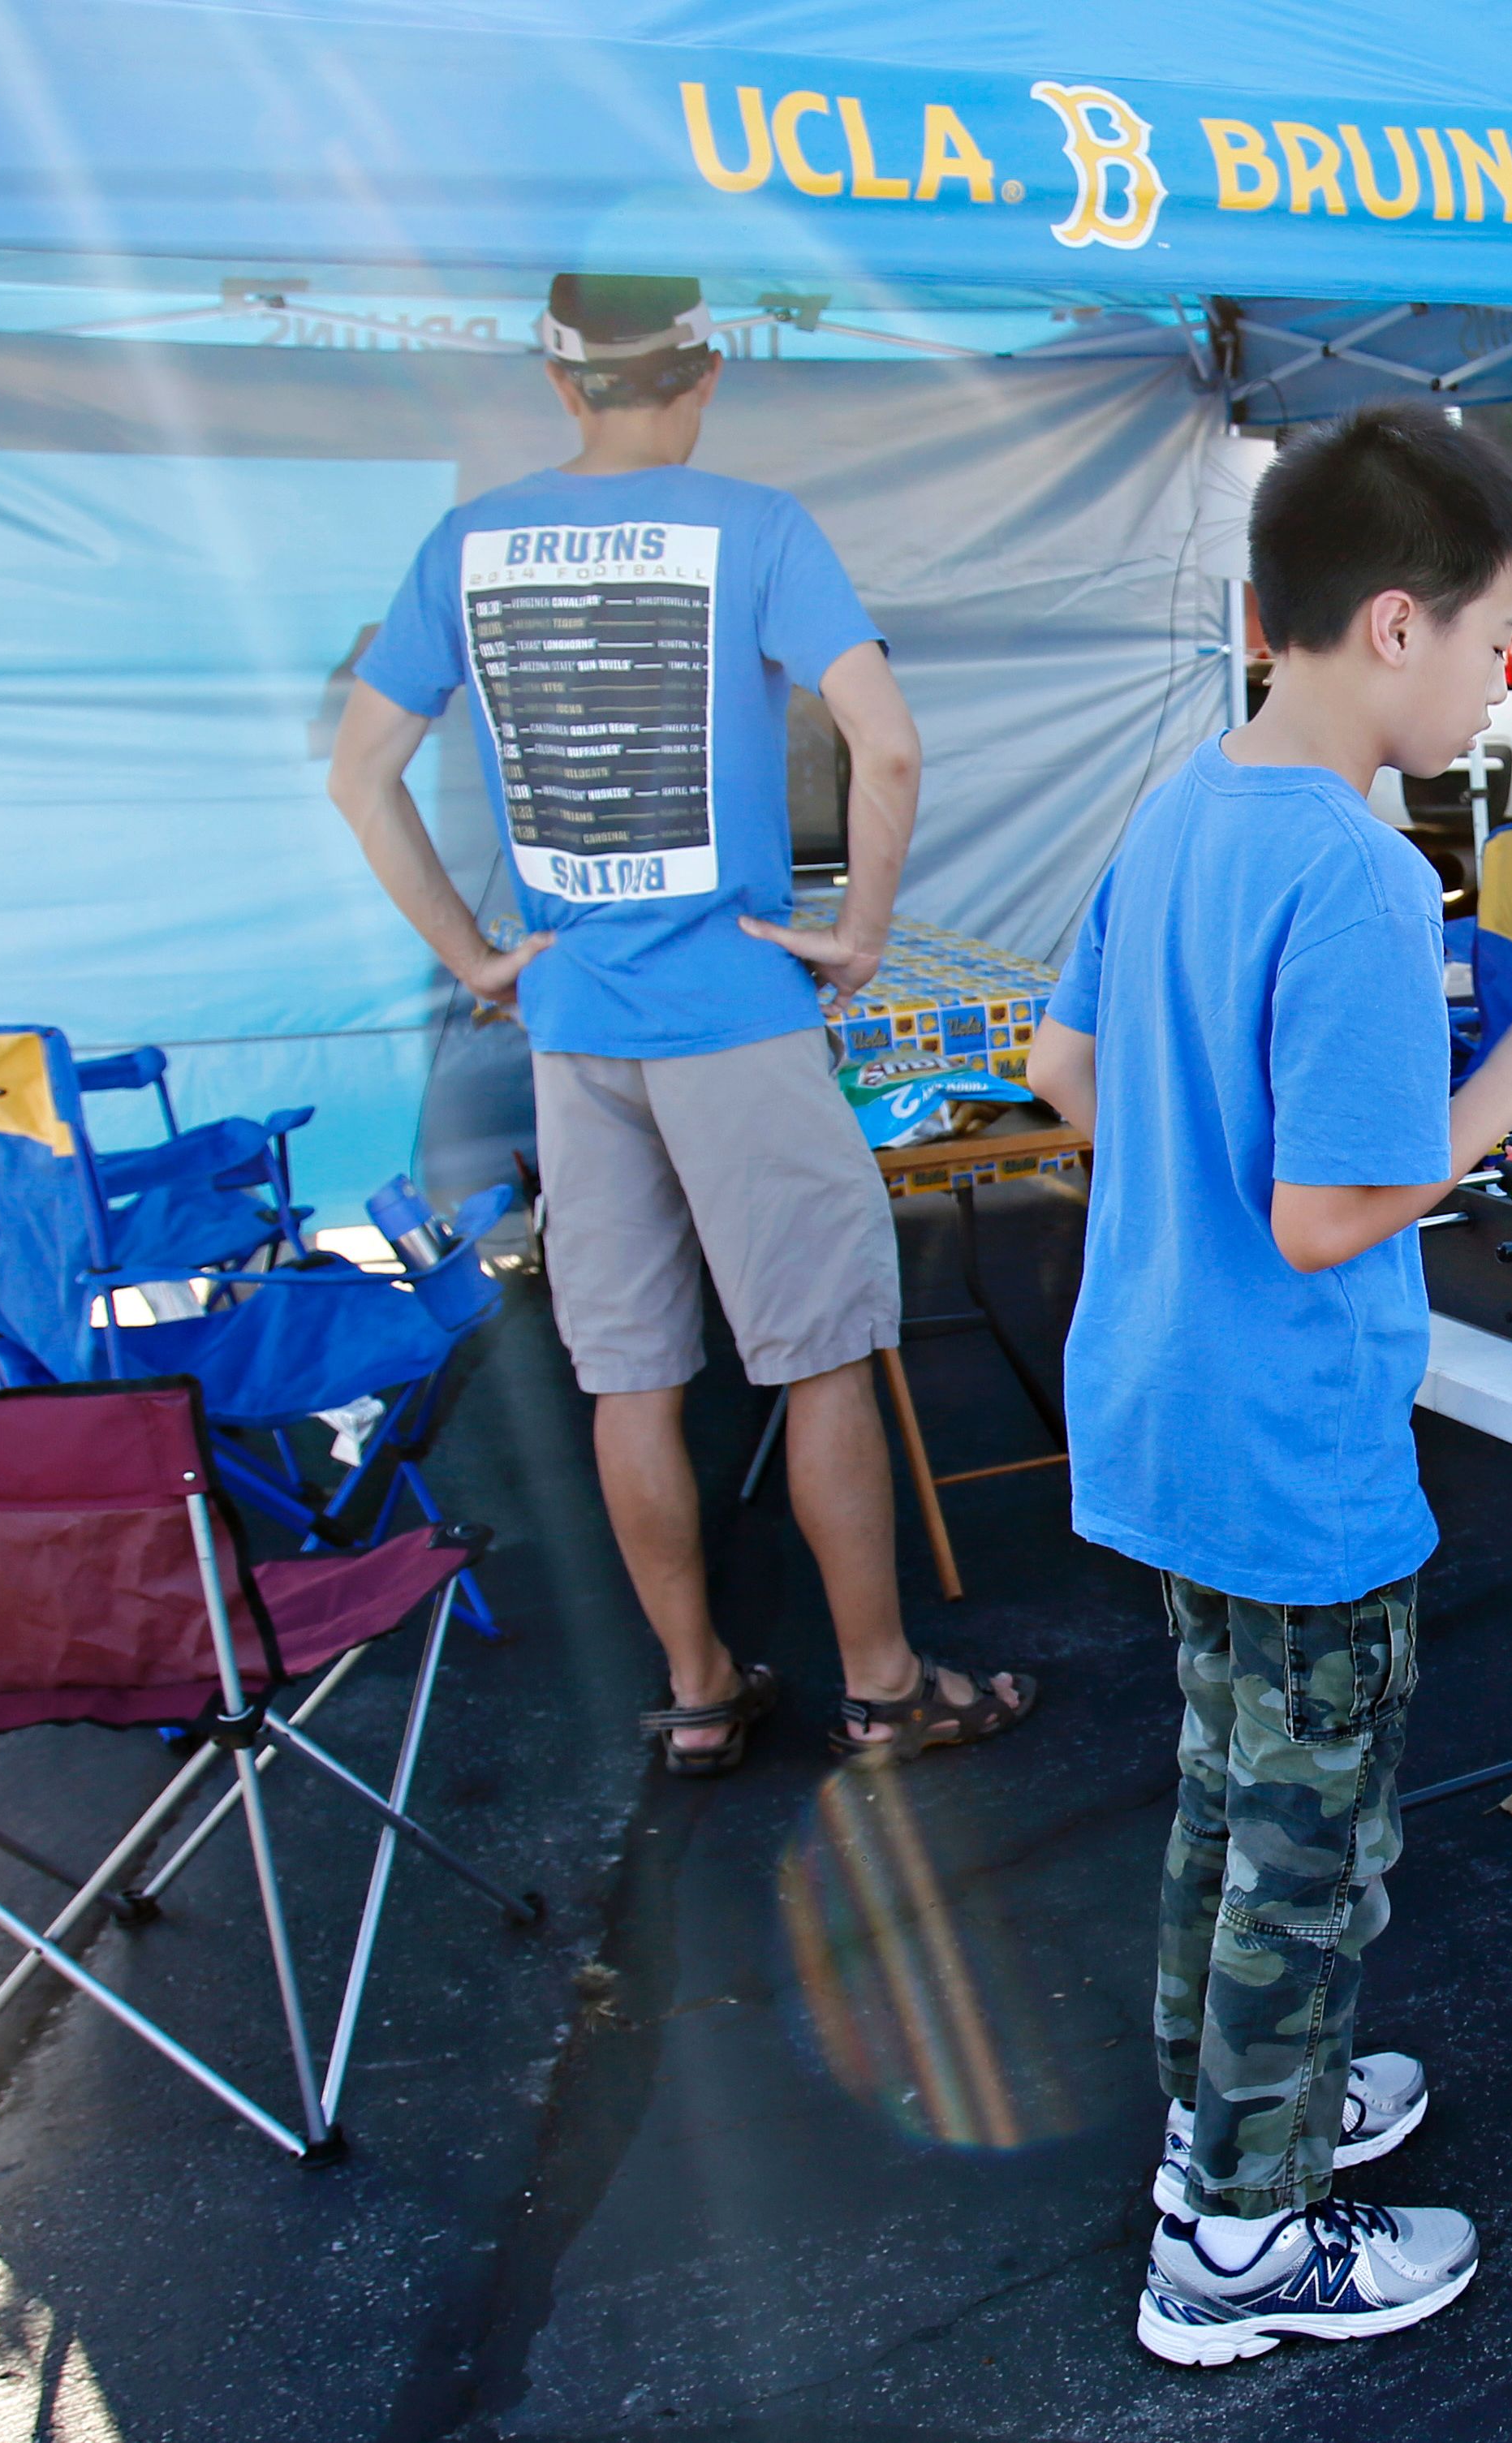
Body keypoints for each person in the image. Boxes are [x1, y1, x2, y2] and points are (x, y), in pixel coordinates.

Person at [1023, 404, 1512, 2366]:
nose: (1499, 674)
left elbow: (1067, 1072)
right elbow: (1329, 1211)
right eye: (1492, 635)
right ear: (1388, 625)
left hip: (1167, 1420)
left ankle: (1232, 2120)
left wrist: (1195, 1157)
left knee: (1227, 1796)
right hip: (1291, 1453)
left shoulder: (1183, 804)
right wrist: (1511, 1091)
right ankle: (1242, 2246)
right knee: (1309, 1846)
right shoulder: (1366, 877)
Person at [328, 274, 1034, 1780]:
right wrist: (859, 934)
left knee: (628, 1375)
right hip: (735, 1015)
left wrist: (475, 952)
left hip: (574, 1024)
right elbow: (887, 742)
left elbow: (360, 774)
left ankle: (701, 1688)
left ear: (559, 383)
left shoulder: (469, 544)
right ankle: (881, 1685)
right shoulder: (757, 529)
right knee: (822, 1361)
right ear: (701, 371)